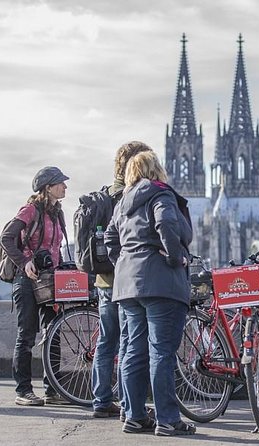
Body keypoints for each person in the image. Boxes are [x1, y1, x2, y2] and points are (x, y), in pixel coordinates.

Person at [105, 150, 196, 436]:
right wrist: (174, 257)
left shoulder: (123, 202)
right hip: (160, 283)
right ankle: (168, 420)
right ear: (156, 169)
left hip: (127, 286)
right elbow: (166, 224)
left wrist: (124, 261)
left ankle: (133, 415)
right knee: (162, 352)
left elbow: (109, 237)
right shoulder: (160, 194)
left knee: (133, 350)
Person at [91, 141, 152, 419]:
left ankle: (101, 399)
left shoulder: (105, 193)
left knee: (107, 341)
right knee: (128, 343)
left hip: (103, 280)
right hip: (124, 280)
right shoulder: (128, 194)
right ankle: (129, 406)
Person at [0, 166, 70, 406]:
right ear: (48, 187)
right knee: (27, 335)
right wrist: (25, 261)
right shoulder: (30, 210)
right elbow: (6, 238)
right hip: (26, 279)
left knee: (54, 334)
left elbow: (56, 249)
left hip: (50, 281)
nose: (65, 186)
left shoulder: (58, 213)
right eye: (61, 183)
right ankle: (24, 391)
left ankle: (53, 390)